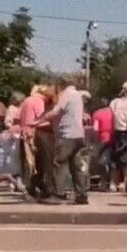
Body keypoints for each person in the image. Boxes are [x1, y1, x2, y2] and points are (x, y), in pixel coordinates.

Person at [35, 76, 88, 204]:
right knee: (76, 166)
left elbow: (56, 111)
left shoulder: (67, 94)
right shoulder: (77, 95)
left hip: (67, 135)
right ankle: (81, 195)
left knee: (58, 163)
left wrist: (40, 120)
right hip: (78, 135)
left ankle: (57, 193)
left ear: (61, 85)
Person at [19, 85, 54, 199]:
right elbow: (41, 118)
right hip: (34, 133)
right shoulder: (39, 101)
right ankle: (37, 186)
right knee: (40, 163)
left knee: (32, 163)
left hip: (25, 132)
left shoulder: (27, 100)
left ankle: (33, 186)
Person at [91, 99, 113, 191]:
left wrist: (94, 142)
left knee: (103, 162)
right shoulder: (113, 112)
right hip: (114, 138)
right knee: (112, 162)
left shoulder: (97, 114)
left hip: (102, 140)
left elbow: (95, 129)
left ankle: (103, 183)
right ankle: (112, 183)